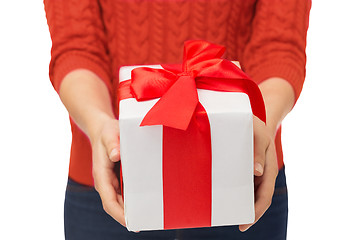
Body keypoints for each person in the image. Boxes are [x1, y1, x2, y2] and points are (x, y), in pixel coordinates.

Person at [44, 0, 311, 239]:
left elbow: (280, 46)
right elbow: (75, 47)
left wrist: (261, 122)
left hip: (244, 175)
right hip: (111, 182)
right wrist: (98, 122)